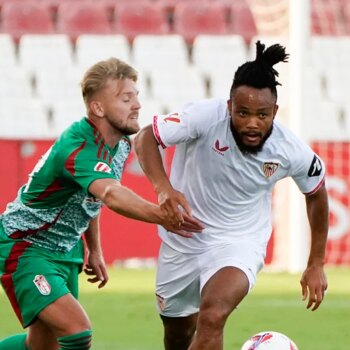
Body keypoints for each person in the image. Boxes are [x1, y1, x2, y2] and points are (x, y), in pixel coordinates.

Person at [134, 41, 329, 350]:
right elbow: (145, 137)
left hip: (239, 242)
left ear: (275, 112)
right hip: (182, 240)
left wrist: (316, 262)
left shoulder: (289, 149)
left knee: (212, 316)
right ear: (228, 107)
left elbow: (316, 193)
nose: (252, 123)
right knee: (177, 335)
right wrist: (164, 189)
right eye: (243, 113)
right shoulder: (203, 117)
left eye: (262, 115)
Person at [0, 58, 202, 350]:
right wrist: (162, 215)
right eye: (126, 98)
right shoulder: (79, 147)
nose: (137, 105)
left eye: (136, 96)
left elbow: (92, 197)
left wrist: (94, 249)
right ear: (98, 108)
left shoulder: (119, 144)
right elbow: (111, 194)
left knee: (43, 346)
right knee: (77, 332)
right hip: (26, 247)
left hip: (65, 250)